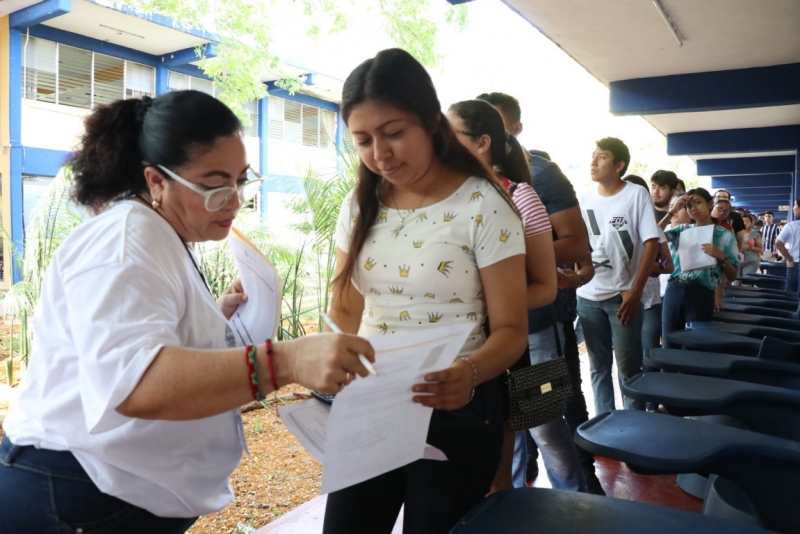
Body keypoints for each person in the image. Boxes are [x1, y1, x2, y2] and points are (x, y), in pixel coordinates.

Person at [0, 90, 375, 533]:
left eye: (241, 180)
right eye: (215, 185)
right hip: (78, 493)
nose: (233, 201)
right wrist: (285, 361)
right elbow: (137, 382)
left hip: (114, 488)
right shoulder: (124, 242)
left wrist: (212, 320)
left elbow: (140, 337)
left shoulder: (158, 233)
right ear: (156, 181)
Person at [323, 49, 528, 534]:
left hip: (454, 406)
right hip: (373, 402)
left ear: (431, 122)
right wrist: (331, 369)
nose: (381, 153)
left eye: (394, 133)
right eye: (363, 140)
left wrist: (470, 371)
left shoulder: (483, 204)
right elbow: (346, 306)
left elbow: (513, 330)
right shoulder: (360, 204)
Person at [447, 99, 586, 493]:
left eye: (450, 133)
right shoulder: (446, 196)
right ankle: (510, 507)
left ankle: (576, 504)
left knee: (546, 428)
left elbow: (549, 277)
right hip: (475, 342)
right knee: (500, 441)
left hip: (534, 333)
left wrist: (496, 286)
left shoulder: (522, 193)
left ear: (482, 143)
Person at [577, 137, 660, 414]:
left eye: (601, 157)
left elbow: (651, 241)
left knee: (629, 370)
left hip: (623, 297)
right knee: (598, 368)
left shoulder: (636, 194)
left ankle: (634, 431)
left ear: (619, 165)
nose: (593, 161)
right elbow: (578, 242)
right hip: (587, 296)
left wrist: (636, 291)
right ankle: (604, 427)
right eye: (593, 155)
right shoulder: (584, 198)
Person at [658, 188, 739, 347]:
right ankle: (667, 371)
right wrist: (671, 212)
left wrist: (721, 256)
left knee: (694, 345)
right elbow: (653, 235)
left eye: (698, 202)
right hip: (674, 288)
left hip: (702, 292)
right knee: (669, 341)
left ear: (709, 204)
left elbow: (733, 275)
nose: (693, 208)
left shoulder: (725, 235)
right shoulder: (682, 230)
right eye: (689, 206)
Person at [624, 175, 673, 412]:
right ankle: (634, 409)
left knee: (648, 356)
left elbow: (669, 267)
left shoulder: (653, 228)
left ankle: (652, 407)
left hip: (650, 300)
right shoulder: (615, 223)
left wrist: (642, 265)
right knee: (627, 362)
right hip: (622, 299)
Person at [775, 197, 800, 295]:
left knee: (792, 296)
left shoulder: (792, 226)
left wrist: (789, 259)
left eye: (795, 205)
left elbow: (778, 242)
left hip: (795, 265)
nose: (793, 208)